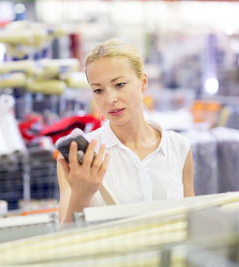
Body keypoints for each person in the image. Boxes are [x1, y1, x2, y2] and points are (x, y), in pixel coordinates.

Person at [57, 39, 195, 225]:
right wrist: (81, 196)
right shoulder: (82, 157)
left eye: (119, 84)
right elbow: (64, 240)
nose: (110, 99)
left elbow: (191, 224)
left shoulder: (178, 148)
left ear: (143, 82)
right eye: (98, 90)